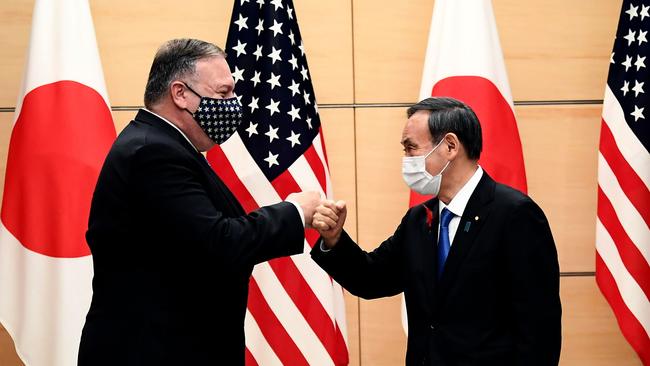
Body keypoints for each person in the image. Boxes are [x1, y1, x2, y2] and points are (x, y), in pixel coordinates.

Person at [78, 39, 321, 365]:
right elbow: (218, 241)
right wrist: (293, 212)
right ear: (180, 93)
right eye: (223, 94)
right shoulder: (154, 152)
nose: (233, 104)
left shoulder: (165, 145)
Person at [311, 97, 562, 365]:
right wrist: (334, 239)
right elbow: (372, 278)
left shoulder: (515, 214)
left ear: (450, 146)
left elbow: (539, 331)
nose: (406, 159)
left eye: (411, 148)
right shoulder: (419, 220)